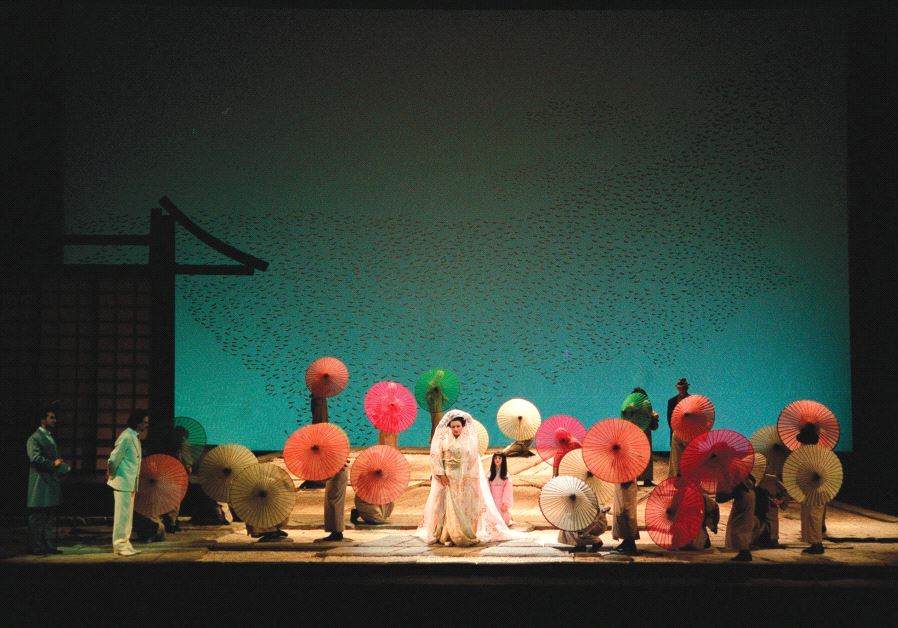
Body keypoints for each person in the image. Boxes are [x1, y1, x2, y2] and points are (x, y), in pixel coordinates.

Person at [415, 410, 521, 546]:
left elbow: (473, 461)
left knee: (464, 505)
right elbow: (436, 457)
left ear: (463, 426)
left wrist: (470, 477)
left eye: (458, 426)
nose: (455, 429)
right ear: (449, 427)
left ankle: (465, 532)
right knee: (449, 505)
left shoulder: (469, 441)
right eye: (453, 426)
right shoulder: (443, 439)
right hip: (449, 477)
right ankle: (448, 534)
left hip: (464, 477)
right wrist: (441, 474)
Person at [25, 402, 70, 555]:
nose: (54, 420)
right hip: (40, 482)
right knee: (38, 516)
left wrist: (62, 467)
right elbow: (35, 458)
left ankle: (48, 545)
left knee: (49, 516)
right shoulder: (35, 438)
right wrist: (53, 464)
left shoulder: (48, 437)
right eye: (51, 418)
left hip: (49, 480)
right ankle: (37, 547)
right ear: (43, 420)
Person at [107, 410, 149, 556]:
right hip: (122, 480)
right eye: (144, 422)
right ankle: (119, 545)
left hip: (129, 481)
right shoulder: (126, 436)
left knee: (127, 516)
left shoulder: (134, 436)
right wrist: (111, 474)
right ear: (137, 423)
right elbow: (113, 459)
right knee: (122, 516)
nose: (146, 425)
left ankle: (126, 543)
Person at [351, 430, 397, 526]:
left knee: (390, 503)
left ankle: (375, 512)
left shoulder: (382, 472)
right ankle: (358, 512)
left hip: (376, 499)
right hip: (366, 502)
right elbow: (361, 490)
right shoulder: (364, 474)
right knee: (378, 519)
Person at [721, 476, 762, 562]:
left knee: (738, 529)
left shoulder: (739, 484)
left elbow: (721, 499)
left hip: (743, 504)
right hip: (749, 502)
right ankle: (745, 552)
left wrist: (723, 490)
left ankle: (744, 553)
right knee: (744, 529)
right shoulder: (748, 480)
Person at [629, 387, 659, 486]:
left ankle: (646, 479)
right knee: (635, 457)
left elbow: (654, 427)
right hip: (636, 435)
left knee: (645, 457)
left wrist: (655, 418)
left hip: (643, 435)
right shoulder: (631, 409)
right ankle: (637, 478)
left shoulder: (647, 409)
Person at [315, 460, 348, 542]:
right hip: (338, 475)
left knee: (333, 505)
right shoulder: (337, 455)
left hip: (335, 476)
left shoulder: (332, 457)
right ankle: (337, 531)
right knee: (335, 505)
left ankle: (336, 532)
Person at [666, 378, 691, 478]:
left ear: (687, 388)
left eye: (684, 387)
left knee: (688, 456)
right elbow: (670, 418)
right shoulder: (672, 401)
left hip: (689, 432)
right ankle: (677, 477)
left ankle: (687, 477)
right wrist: (674, 430)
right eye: (680, 387)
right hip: (677, 431)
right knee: (676, 457)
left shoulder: (692, 400)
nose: (682, 389)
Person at [611, 480, 640, 554]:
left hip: (627, 487)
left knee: (627, 515)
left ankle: (631, 543)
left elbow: (629, 479)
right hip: (621, 487)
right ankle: (627, 541)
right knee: (622, 514)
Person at [488, 452, 514, 525]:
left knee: (503, 521)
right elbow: (487, 489)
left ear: (503, 460)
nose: (497, 460)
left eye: (499, 458)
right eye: (495, 458)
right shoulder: (489, 474)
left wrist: (505, 504)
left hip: (502, 501)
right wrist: (488, 501)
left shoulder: (506, 475)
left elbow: (508, 491)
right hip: (492, 501)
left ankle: (509, 517)